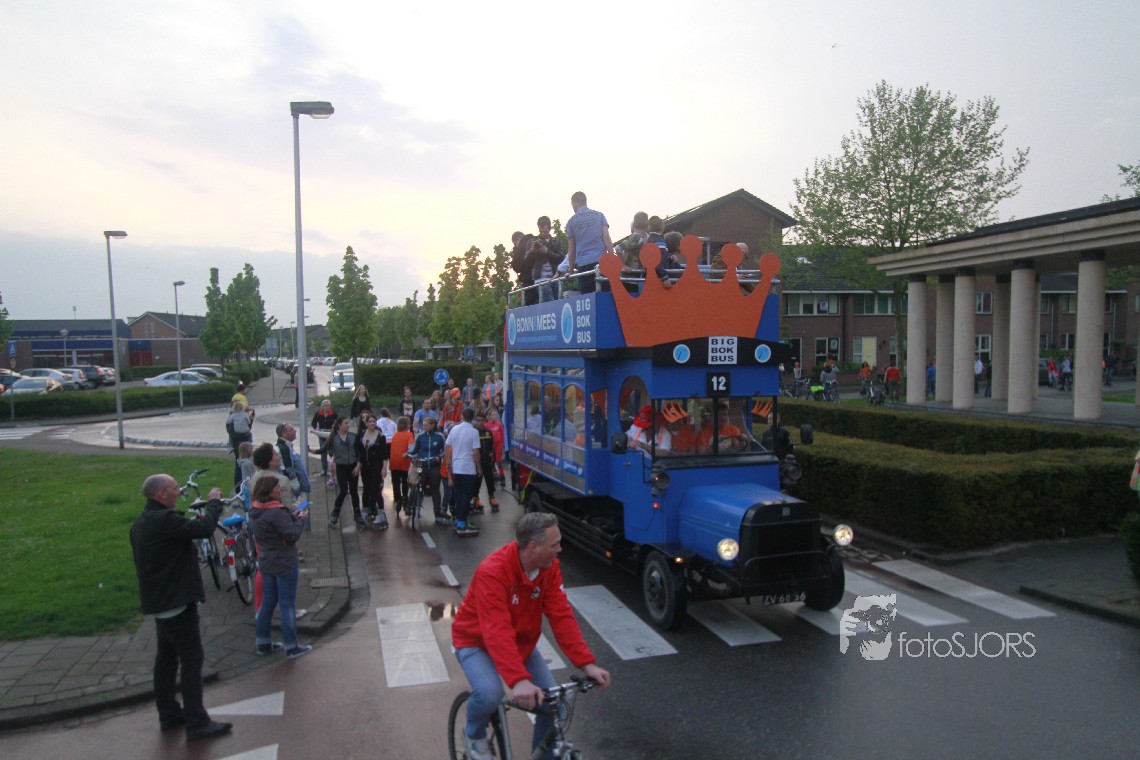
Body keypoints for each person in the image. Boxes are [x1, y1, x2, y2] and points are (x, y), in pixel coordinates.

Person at [452, 513, 611, 760]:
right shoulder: (492, 572)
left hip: (520, 643)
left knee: (552, 704)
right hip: (475, 641)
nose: (559, 550)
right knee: (490, 693)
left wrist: (586, 664)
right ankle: (473, 736)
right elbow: (496, 630)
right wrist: (519, 681)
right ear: (533, 547)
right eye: (554, 545)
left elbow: (561, 616)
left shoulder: (550, 568)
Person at [129, 474, 233, 742]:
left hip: (159, 602)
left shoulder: (140, 523)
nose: (179, 491)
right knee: (191, 659)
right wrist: (214, 502)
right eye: (175, 488)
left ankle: (169, 714)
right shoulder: (166, 521)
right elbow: (205, 529)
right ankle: (197, 723)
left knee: (165, 661)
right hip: (176, 602)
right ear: (161, 494)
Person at [249, 477, 311, 660]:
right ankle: (292, 646)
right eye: (277, 487)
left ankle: (263, 643)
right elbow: (291, 535)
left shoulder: (255, 510)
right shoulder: (276, 512)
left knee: (267, 603)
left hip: (266, 562)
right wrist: (300, 521)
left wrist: (290, 518)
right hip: (284, 563)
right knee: (287, 605)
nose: (281, 490)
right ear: (269, 491)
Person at [564, 190, 614, 294]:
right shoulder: (600, 216)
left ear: (574, 204)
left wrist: (570, 270)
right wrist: (612, 259)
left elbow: (571, 250)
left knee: (588, 297)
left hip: (584, 266)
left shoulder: (571, 222)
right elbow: (607, 238)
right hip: (601, 264)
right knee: (605, 295)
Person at [446, 407, 483, 536]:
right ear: (473, 418)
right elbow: (476, 452)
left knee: (458, 494)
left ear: (462, 416)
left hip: (457, 466)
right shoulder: (474, 432)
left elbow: (447, 446)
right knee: (466, 495)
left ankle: (458, 519)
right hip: (468, 467)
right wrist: (479, 467)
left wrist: (449, 462)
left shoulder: (454, 429)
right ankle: (462, 522)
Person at [406, 416, 446, 524]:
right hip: (422, 464)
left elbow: (444, 450)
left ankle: (437, 513)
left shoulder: (439, 436)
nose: (424, 427)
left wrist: (439, 456)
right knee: (416, 485)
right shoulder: (420, 436)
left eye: (426, 425)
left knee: (435, 489)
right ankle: (409, 506)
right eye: (423, 425)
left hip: (434, 466)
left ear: (432, 425)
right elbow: (415, 450)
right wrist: (408, 454)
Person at [356, 412, 390, 529]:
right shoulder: (361, 435)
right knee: (366, 488)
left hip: (376, 465)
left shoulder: (381, 437)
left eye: (373, 422)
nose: (371, 423)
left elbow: (385, 454)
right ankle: (365, 510)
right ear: (366, 423)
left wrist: (384, 468)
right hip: (365, 466)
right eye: (369, 422)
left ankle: (381, 513)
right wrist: (358, 465)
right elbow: (359, 452)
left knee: (376, 488)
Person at [327, 415, 362, 527]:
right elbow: (324, 449)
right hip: (341, 467)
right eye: (346, 423)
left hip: (353, 466)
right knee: (343, 491)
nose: (348, 425)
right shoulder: (334, 438)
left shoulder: (353, 436)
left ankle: (357, 514)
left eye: (348, 423)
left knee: (354, 491)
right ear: (339, 425)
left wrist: (358, 465)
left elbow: (359, 451)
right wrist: (310, 450)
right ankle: (335, 513)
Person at [251, 441, 296, 508]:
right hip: (277, 513)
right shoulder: (282, 480)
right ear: (269, 461)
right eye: (276, 455)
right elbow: (288, 507)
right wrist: (299, 504)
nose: (280, 457)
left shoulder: (254, 478)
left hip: (257, 513)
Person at [276, 423, 310, 502]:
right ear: (284, 434)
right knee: (299, 508)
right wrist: (296, 489)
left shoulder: (288, 447)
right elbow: (288, 470)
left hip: (300, 490)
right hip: (295, 493)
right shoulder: (284, 449)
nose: (295, 431)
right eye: (291, 430)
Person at [473, 412, 499, 513]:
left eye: (482, 420)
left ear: (485, 421)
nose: (480, 422)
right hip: (477, 463)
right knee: (477, 482)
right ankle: (476, 499)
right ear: (476, 421)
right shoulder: (474, 432)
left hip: (487, 462)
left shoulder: (488, 432)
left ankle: (492, 498)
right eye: (478, 421)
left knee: (490, 481)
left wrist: (492, 453)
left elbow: (492, 445)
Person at [389, 416, 414, 513]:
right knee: (404, 480)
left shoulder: (395, 435)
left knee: (395, 481)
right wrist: (409, 454)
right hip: (404, 461)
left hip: (394, 461)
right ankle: (405, 497)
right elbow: (411, 447)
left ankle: (397, 498)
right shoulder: (409, 435)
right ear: (407, 425)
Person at [226, 400, 253, 487]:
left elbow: (228, 424)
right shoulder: (245, 415)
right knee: (244, 461)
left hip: (237, 441)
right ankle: (243, 483)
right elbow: (249, 424)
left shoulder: (232, 416)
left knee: (239, 462)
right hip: (244, 437)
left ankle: (239, 484)